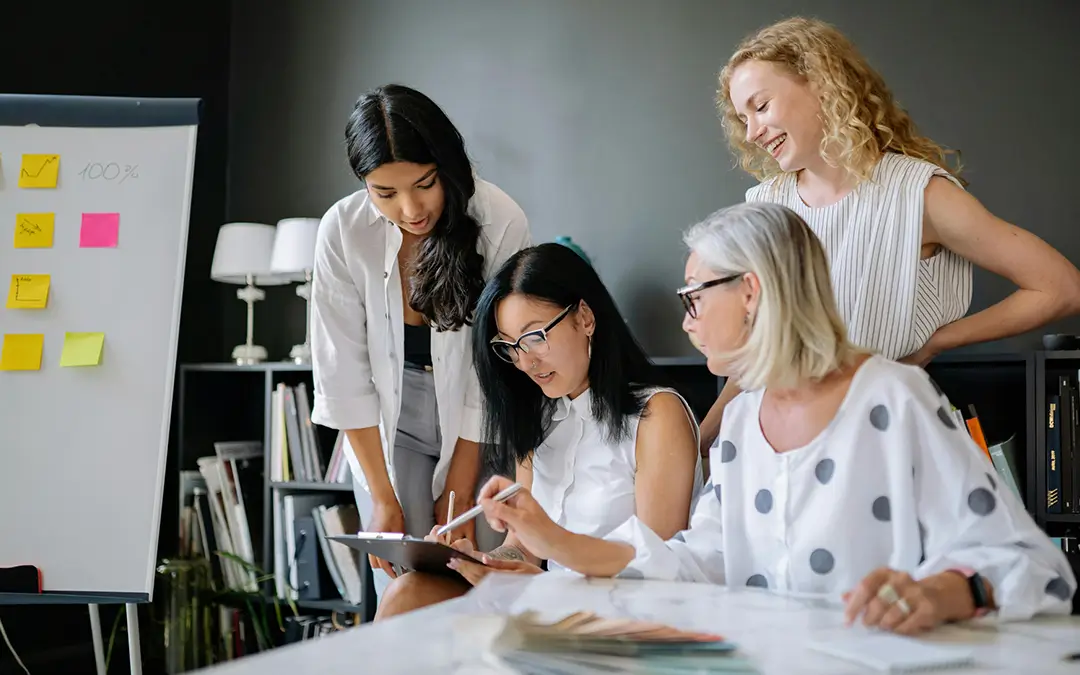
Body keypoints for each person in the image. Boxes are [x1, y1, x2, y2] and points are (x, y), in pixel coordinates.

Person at [470, 203, 1076, 636]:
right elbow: (695, 559)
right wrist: (553, 542)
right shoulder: (739, 425)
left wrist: (942, 591)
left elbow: (1035, 567)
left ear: (752, 292)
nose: (687, 320)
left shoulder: (893, 397)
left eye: (695, 298)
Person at [697, 16, 1080, 454]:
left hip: (880, 441)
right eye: (742, 117)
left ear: (821, 83)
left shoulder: (920, 195)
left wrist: (937, 340)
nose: (751, 132)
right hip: (774, 446)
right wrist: (701, 441)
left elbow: (1061, 288)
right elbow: (755, 359)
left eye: (760, 106)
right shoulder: (763, 207)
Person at [372, 243, 703, 620]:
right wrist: (473, 560)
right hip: (551, 597)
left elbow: (655, 562)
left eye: (535, 337)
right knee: (409, 590)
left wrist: (546, 580)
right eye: (510, 346)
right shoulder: (539, 418)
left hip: (625, 607)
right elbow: (521, 548)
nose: (526, 361)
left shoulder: (656, 414)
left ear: (585, 317)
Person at [308, 84, 532, 600]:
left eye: (424, 184)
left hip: (484, 422)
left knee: (480, 578)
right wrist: (381, 495)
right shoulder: (342, 231)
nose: (410, 209)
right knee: (404, 581)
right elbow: (342, 371)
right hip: (391, 423)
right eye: (385, 193)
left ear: (445, 166)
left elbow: (492, 365)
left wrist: (460, 480)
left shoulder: (500, 219)